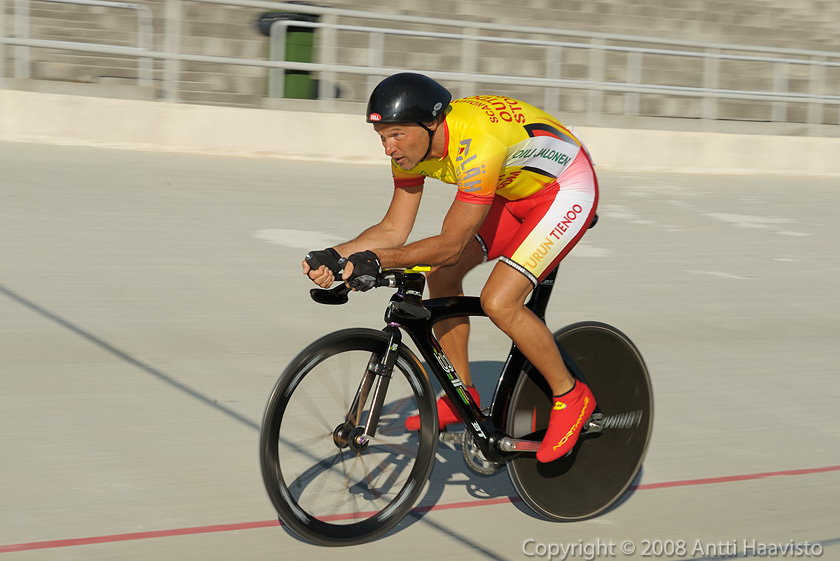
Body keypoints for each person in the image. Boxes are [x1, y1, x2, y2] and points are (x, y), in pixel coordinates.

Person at [303, 72, 598, 463]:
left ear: (431, 124)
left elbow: (450, 244)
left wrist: (375, 261)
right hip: (512, 193)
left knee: (499, 301)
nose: (389, 149)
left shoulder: (475, 144)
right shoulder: (414, 150)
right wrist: (336, 255)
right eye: (382, 138)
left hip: (565, 189)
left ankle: (571, 395)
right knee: (442, 277)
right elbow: (393, 229)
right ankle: (464, 394)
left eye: (397, 136)